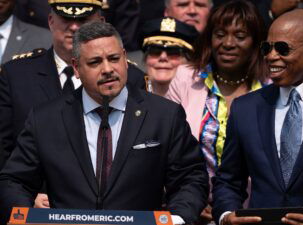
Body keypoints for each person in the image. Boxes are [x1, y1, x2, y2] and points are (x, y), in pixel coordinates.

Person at [0, 21, 208, 224]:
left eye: (114, 58)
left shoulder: (164, 115)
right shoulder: (46, 119)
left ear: (125, 58)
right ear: (76, 68)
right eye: (95, 62)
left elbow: (190, 177)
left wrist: (178, 218)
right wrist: (26, 218)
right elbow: (14, 180)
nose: (107, 69)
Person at [0, 0, 145, 209]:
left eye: (84, 20)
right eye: (66, 19)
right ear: (51, 21)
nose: (75, 27)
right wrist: (24, 197)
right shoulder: (16, 76)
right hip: (37, 209)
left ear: (101, 23)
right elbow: (4, 152)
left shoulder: (130, 78)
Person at [212, 9, 303, 225]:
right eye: (267, 48)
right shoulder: (245, 108)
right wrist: (226, 216)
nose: (271, 56)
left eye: (283, 49)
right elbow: (229, 180)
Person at [168, 0, 268, 223]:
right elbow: (169, 151)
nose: (228, 43)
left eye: (240, 36)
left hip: (255, 212)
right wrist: (193, 201)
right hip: (195, 209)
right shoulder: (185, 78)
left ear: (256, 42)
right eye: (220, 34)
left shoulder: (270, 85)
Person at [142, 17, 198, 96]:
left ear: (189, 61)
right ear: (145, 59)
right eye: (155, 51)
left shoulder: (202, 102)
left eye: (173, 52)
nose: (163, 57)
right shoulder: (128, 97)